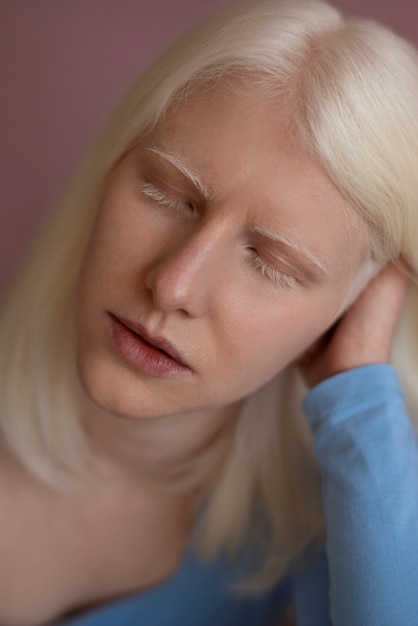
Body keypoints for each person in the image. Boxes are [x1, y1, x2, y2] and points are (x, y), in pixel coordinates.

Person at [0, 0, 417, 624]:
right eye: (166, 195)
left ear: (350, 308)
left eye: (274, 264)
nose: (173, 287)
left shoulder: (330, 531)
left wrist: (357, 397)